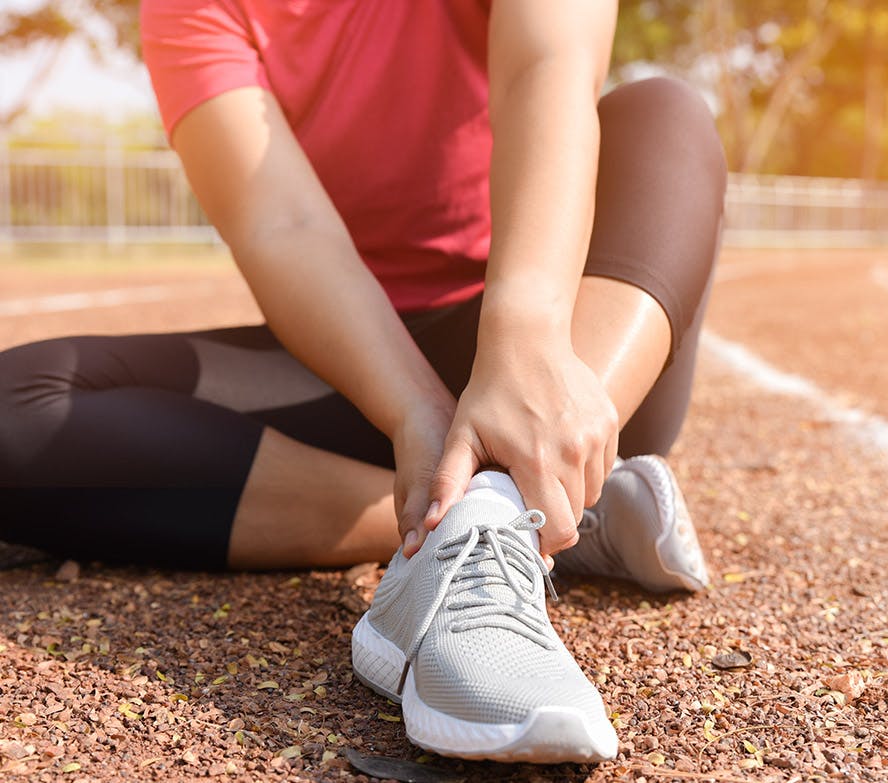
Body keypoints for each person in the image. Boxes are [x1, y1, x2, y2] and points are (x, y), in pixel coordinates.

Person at [0, 0, 726, 763]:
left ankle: (526, 481)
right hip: (360, 363)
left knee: (665, 115)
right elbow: (282, 224)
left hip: (567, 351)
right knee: (17, 409)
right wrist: (416, 411)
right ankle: (488, 516)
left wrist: (526, 341)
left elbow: (547, 66)